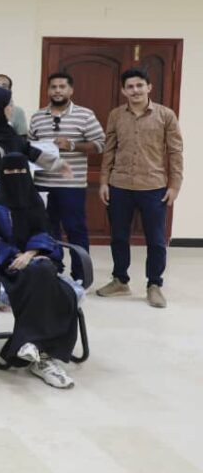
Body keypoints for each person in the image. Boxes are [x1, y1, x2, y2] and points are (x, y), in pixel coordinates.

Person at [0, 152, 79, 389]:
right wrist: (16, 256)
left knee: (42, 271)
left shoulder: (34, 200)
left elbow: (46, 233)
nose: (16, 176)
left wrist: (31, 253)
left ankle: (29, 343)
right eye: (10, 171)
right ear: (1, 173)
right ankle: (42, 357)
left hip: (36, 259)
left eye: (21, 171)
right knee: (57, 287)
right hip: (8, 265)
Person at [96, 68, 183, 308]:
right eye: (130, 87)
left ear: (149, 87)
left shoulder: (166, 115)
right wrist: (103, 181)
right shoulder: (116, 115)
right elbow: (109, 149)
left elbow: (175, 152)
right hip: (119, 185)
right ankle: (120, 281)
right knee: (119, 237)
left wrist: (175, 185)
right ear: (124, 90)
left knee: (156, 240)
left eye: (139, 85)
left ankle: (154, 285)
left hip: (154, 186)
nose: (135, 90)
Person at [28, 72, 105, 282]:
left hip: (72, 185)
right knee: (47, 230)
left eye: (62, 87)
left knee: (75, 229)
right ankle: (53, 271)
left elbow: (101, 144)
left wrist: (72, 145)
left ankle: (81, 275)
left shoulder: (85, 115)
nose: (57, 91)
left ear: (71, 90)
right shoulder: (37, 117)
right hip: (42, 184)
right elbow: (30, 148)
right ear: (48, 90)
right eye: (53, 87)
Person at [0, 86, 66, 182]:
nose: (12, 108)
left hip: (9, 191)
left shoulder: (7, 131)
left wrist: (57, 164)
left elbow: (27, 150)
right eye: (9, 104)